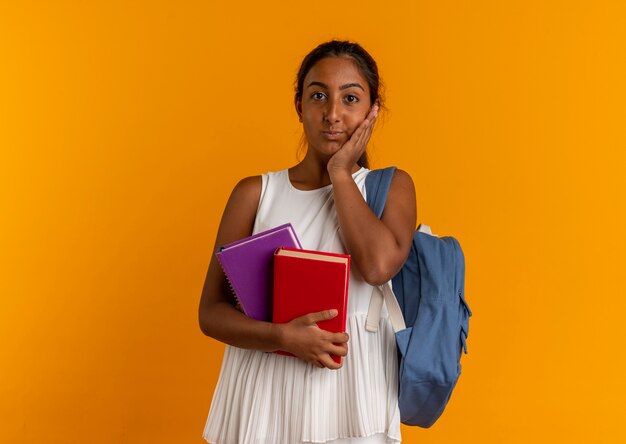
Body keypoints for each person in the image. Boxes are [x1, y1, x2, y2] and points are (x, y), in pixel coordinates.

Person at [199, 40, 416, 444]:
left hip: (351, 397)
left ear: (373, 111)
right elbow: (210, 312)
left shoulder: (391, 188)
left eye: (350, 98)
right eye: (318, 95)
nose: (333, 114)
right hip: (262, 395)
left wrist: (339, 173)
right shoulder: (254, 193)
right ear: (299, 105)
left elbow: (376, 266)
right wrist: (282, 337)